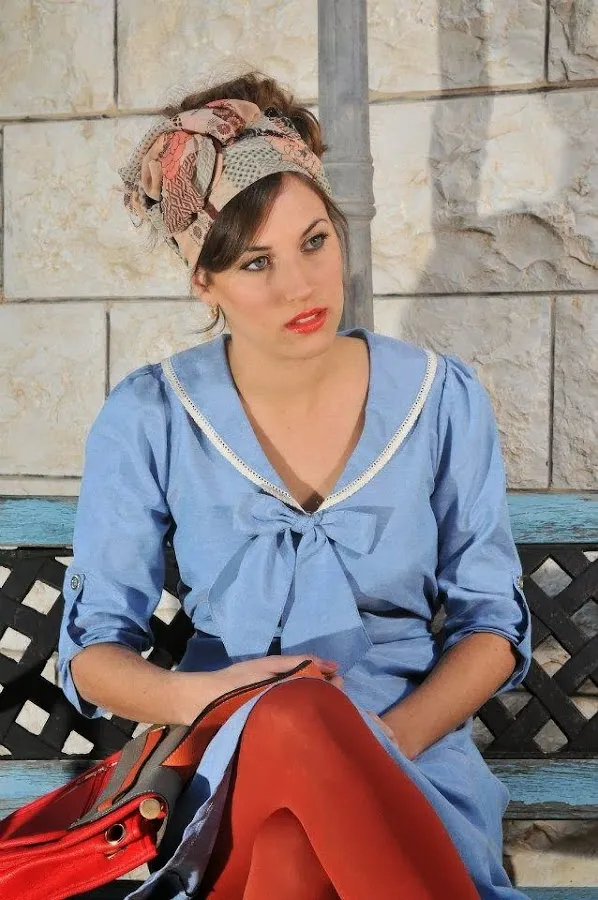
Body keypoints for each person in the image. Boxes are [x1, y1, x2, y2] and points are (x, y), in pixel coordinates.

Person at [57, 72, 532, 900]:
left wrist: (379, 745)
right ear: (203, 280)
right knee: (286, 717)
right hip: (231, 755)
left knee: (291, 859)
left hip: (413, 753)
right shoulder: (151, 415)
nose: (301, 287)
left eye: (314, 241)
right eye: (256, 262)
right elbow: (93, 652)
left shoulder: (440, 398)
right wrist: (207, 694)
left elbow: (492, 623)